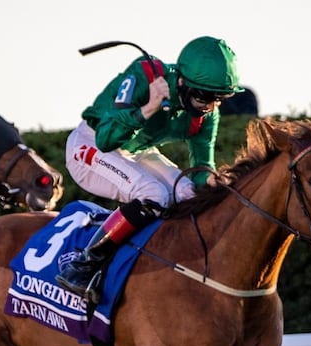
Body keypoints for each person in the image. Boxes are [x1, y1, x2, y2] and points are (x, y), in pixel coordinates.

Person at [56, 36, 244, 303]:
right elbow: (106, 139)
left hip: (137, 151)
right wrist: (148, 107)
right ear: (181, 82)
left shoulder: (207, 114)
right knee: (154, 193)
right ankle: (84, 265)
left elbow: (202, 167)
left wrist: (215, 190)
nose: (210, 106)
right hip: (90, 146)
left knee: (189, 193)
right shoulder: (143, 75)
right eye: (203, 95)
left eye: (219, 98)